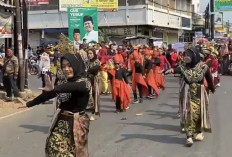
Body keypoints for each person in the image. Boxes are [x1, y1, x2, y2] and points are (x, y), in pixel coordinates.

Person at [26, 36, 91, 156]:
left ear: (76, 65)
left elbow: (64, 89)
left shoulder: (84, 83)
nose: (66, 69)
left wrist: (55, 89)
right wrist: (29, 104)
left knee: (75, 153)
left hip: (76, 124)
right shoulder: (64, 82)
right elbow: (50, 94)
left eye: (69, 65)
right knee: (54, 148)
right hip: (61, 121)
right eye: (63, 66)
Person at [166, 48, 215, 147]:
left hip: (200, 93)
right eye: (186, 54)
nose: (187, 57)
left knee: (200, 113)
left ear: (195, 56)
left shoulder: (203, 67)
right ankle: (189, 136)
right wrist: (171, 70)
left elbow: (209, 78)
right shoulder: (184, 67)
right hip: (188, 93)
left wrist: (211, 87)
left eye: (189, 55)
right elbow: (177, 69)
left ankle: (199, 131)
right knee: (189, 113)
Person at [86, 48, 101, 121]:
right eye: (88, 53)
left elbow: (95, 69)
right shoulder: (86, 62)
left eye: (91, 53)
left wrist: (87, 72)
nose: (89, 55)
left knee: (94, 96)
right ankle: (86, 113)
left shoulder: (97, 61)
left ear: (94, 54)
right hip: (87, 81)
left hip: (94, 81)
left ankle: (92, 113)